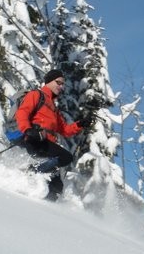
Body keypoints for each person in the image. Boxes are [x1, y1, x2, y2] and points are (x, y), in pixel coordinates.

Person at [15, 69, 91, 201]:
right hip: (36, 140)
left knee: (56, 188)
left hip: (48, 145)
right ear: (49, 81)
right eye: (59, 82)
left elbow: (65, 130)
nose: (61, 86)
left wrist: (80, 124)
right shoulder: (36, 95)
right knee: (66, 157)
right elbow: (22, 113)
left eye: (63, 84)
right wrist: (28, 130)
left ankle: (45, 210)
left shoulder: (54, 109)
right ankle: (33, 171)